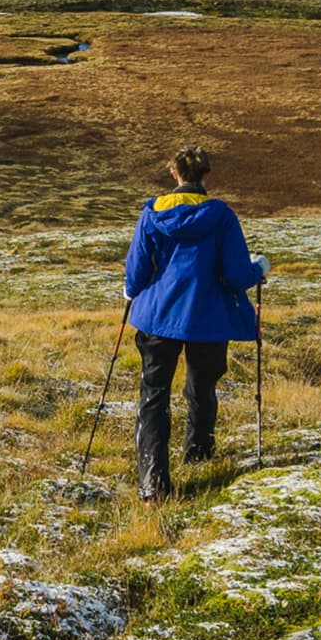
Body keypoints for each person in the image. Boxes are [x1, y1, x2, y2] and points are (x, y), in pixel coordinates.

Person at [122, 145, 268, 503]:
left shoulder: (153, 213)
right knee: (201, 388)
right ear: (206, 175)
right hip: (208, 317)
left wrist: (130, 291)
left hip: (158, 316)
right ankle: (198, 457)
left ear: (174, 174)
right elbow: (236, 276)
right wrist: (259, 268)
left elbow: (137, 271)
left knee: (153, 396)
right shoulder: (220, 215)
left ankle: (153, 486)